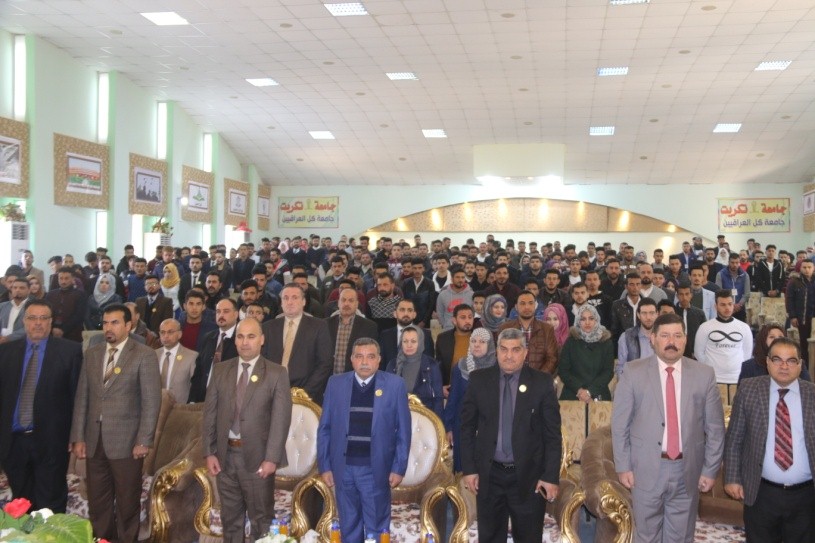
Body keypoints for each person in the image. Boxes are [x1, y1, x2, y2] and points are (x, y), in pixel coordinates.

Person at [612, 313, 725, 543]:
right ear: (653, 339)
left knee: (681, 537)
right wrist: (623, 466)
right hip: (645, 469)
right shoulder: (633, 372)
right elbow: (620, 424)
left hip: (688, 470)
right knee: (646, 537)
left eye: (677, 335)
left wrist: (710, 469)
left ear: (685, 339)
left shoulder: (704, 375)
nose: (671, 341)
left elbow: (715, 428)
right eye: (664, 335)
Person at [460, 328, 562, 543]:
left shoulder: (542, 383)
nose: (509, 356)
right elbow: (466, 428)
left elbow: (553, 435)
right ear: (496, 351)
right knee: (489, 537)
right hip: (489, 476)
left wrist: (550, 476)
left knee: (528, 538)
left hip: (529, 477)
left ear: (525, 352)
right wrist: (469, 469)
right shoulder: (479, 380)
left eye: (515, 350)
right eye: (504, 349)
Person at [70, 303, 162, 543]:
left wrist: (144, 440)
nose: (108, 328)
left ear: (128, 325)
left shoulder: (144, 354)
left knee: (127, 502)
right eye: (105, 323)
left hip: (128, 442)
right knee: (97, 502)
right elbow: (82, 397)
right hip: (94, 440)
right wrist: (78, 437)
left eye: (115, 323)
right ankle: (103, 540)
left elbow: (151, 401)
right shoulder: (93, 353)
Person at [202, 318, 293, 543]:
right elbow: (210, 414)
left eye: (251, 337)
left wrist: (271, 458)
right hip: (224, 457)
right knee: (230, 519)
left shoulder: (276, 373)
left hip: (258, 459)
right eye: (240, 337)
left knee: (261, 521)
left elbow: (281, 420)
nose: (245, 342)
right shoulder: (220, 370)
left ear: (261, 340)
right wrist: (209, 452)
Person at [317, 338, 412, 543]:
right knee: (348, 526)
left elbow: (404, 432)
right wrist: (325, 466)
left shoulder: (395, 385)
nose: (364, 362)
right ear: (351, 359)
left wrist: (398, 468)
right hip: (343, 468)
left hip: (375, 469)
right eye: (359, 356)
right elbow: (325, 428)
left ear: (379, 360)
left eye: (370, 357)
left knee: (376, 528)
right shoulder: (335, 383)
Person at [724, 337, 815, 542]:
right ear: (767, 362)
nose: (784, 366)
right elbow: (734, 438)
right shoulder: (749, 389)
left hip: (806, 496)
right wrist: (732, 478)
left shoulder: (812, 394)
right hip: (761, 493)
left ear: (800, 364)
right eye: (777, 359)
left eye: (791, 360)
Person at [0, 300, 82, 512]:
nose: (38, 323)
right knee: (20, 505)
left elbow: (78, 398)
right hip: (13, 442)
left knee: (50, 505)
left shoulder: (70, 352)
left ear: (50, 322)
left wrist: (76, 436)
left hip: (51, 441)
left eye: (43, 318)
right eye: (32, 318)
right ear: (24, 321)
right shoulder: (5, 352)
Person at [261, 283, 333, 404]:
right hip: (272, 393)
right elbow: (262, 361)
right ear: (281, 302)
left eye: (295, 297)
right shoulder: (268, 327)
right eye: (285, 298)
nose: (289, 302)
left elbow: (325, 363)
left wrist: (304, 393)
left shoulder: (319, 326)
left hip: (307, 395)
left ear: (303, 301)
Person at [444, 328, 496, 472]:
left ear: (490, 345)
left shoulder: (497, 368)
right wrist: (448, 427)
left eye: (482, 342)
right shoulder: (460, 367)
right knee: (464, 469)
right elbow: (453, 399)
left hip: (489, 426)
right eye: (473, 341)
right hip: (462, 424)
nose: (477, 345)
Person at [694, 290, 753, 384]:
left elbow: (747, 354)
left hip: (737, 378)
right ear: (715, 306)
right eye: (723, 305)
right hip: (713, 379)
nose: (727, 308)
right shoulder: (704, 327)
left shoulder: (744, 327)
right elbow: (698, 353)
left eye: (730, 304)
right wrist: (711, 368)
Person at [559, 304, 614, 402]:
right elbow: (563, 370)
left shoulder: (606, 342)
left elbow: (608, 372)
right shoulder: (571, 341)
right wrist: (580, 390)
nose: (587, 322)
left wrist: (590, 391)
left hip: (598, 392)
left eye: (591, 318)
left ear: (596, 320)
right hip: (573, 392)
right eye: (583, 319)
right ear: (578, 321)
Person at [385, 325, 443, 417]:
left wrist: (436, 422)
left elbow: (438, 398)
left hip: (425, 418)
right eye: (405, 341)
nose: (409, 345)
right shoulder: (392, 365)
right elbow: (387, 396)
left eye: (413, 341)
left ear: (420, 342)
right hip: (397, 417)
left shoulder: (431, 365)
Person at [188, 298, 239, 403]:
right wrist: (192, 400)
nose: (221, 315)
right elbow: (199, 372)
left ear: (236, 314)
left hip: (229, 402)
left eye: (226, 311)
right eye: (218, 311)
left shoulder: (241, 340)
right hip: (203, 400)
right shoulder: (207, 337)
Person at [499, 290, 559, 374]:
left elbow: (552, 358)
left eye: (531, 303)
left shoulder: (547, 329)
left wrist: (539, 377)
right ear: (516, 307)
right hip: (512, 377)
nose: (527, 307)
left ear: (535, 305)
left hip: (539, 377)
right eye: (522, 303)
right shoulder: (505, 328)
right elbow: (500, 356)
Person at [327, 287, 379, 374]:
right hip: (327, 378)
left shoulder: (369, 327)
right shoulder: (325, 324)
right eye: (343, 300)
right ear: (338, 303)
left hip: (355, 377)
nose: (346, 303)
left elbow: (372, 356)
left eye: (351, 300)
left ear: (357, 304)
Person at [739, 324, 811, 384]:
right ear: (763, 341)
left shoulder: (798, 363)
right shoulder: (749, 366)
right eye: (772, 337)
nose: (777, 339)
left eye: (780, 337)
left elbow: (807, 388)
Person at [155, 318, 197, 403]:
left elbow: (195, 386)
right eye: (162, 332)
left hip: (180, 407)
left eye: (170, 332)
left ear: (179, 334)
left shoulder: (192, 356)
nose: (166, 336)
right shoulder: (153, 355)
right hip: (155, 405)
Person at [616, 298, 658, 375]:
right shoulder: (626, 337)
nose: (648, 317)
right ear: (638, 315)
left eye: (651, 313)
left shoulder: (664, 336)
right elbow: (621, 368)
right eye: (644, 313)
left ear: (657, 314)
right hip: (634, 381)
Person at [45, 266, 87, 342]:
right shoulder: (50, 295)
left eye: (66, 278)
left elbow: (79, 316)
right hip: (51, 333)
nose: (63, 281)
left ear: (73, 279)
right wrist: (52, 328)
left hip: (73, 334)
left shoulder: (80, 295)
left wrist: (63, 330)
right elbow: (46, 313)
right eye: (61, 278)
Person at [786, 260, 815, 365]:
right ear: (800, 268)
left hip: (814, 317)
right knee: (804, 343)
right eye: (804, 267)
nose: (807, 270)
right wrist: (793, 316)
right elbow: (789, 300)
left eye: (809, 267)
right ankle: (804, 366)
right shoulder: (794, 282)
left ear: (813, 268)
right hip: (802, 317)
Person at [0, 276, 31, 343]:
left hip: (22, 343)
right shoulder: (2, 306)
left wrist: (9, 338)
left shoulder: (33, 307)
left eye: (21, 288)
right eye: (15, 288)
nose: (17, 290)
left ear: (29, 290)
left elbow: (30, 327)